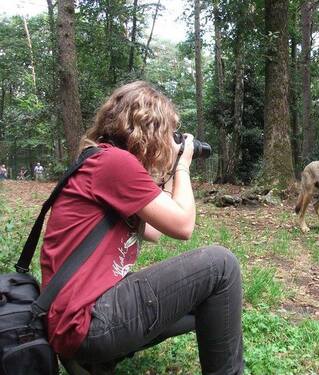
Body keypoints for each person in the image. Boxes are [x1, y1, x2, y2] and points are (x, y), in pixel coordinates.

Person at [40, 81, 243, 375]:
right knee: (221, 266)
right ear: (150, 130)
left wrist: (170, 170)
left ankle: (95, 361)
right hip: (85, 321)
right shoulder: (115, 163)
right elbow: (183, 225)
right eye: (167, 133)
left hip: (77, 319)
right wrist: (182, 165)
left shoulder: (104, 160)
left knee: (212, 304)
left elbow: (154, 232)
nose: (169, 143)